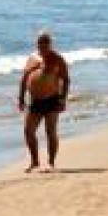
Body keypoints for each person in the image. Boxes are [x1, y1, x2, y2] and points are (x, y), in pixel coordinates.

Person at [18, 32, 70, 172]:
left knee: (50, 132)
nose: (43, 44)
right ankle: (35, 161)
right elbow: (24, 79)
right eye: (40, 41)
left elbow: (66, 80)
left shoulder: (57, 59)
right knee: (28, 131)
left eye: (46, 42)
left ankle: (51, 162)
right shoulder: (32, 58)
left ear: (50, 43)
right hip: (34, 101)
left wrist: (63, 99)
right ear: (36, 43)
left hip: (52, 99)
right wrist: (21, 98)